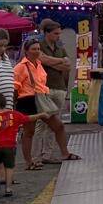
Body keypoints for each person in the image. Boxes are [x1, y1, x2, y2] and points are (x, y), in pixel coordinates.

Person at [14, 38, 76, 169]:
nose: (36, 51)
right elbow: (15, 87)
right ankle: (29, 162)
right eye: (33, 49)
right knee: (29, 132)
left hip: (41, 99)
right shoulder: (20, 67)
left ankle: (64, 153)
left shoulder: (39, 64)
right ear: (26, 51)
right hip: (27, 100)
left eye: (38, 49)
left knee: (58, 126)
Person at [34, 19, 73, 165]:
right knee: (41, 123)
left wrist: (53, 62)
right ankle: (36, 155)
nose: (58, 36)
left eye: (59, 33)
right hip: (44, 88)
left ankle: (47, 154)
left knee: (54, 123)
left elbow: (68, 65)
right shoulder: (39, 46)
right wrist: (60, 61)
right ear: (46, 33)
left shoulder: (59, 47)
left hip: (59, 87)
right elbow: (42, 60)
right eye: (55, 33)